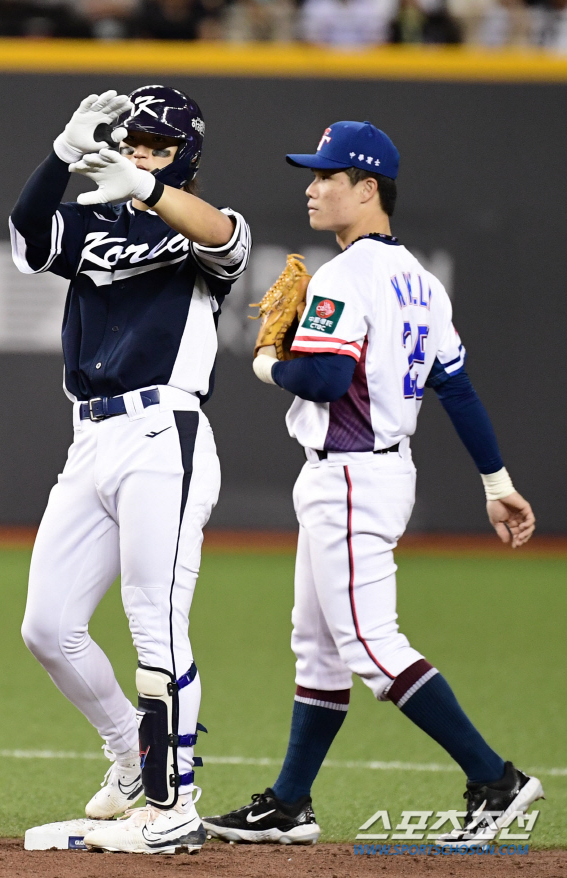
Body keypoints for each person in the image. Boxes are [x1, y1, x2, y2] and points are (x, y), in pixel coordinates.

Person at [203, 120, 542, 846]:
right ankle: (290, 804)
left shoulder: (343, 276)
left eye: (327, 176)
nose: (311, 187)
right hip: (377, 469)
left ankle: (495, 779)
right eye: (313, 173)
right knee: (319, 646)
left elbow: (323, 377)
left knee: (370, 646)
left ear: (368, 189)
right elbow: (459, 389)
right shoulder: (421, 280)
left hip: (352, 475)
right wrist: (496, 482)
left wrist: (267, 363)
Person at [10, 85, 251, 854]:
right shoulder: (93, 223)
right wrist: (58, 156)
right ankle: (131, 762)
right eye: (133, 141)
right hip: (90, 440)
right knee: (46, 626)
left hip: (162, 432)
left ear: (186, 155)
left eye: (158, 145)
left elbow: (226, 239)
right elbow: (26, 238)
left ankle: (175, 804)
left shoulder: (199, 225)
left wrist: (150, 189)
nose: (142, 152)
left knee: (154, 619)